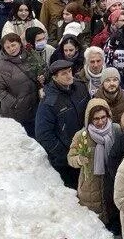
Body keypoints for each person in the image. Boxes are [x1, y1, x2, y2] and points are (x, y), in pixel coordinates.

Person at [36, 59, 88, 188]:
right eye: (64, 73)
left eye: (70, 71)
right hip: (65, 160)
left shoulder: (80, 87)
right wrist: (64, 154)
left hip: (85, 150)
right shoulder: (49, 101)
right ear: (55, 77)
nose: (69, 75)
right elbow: (43, 134)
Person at [69, 97, 121, 224]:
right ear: (89, 119)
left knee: (113, 215)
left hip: (111, 180)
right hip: (90, 184)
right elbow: (70, 157)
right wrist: (79, 160)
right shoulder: (82, 135)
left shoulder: (116, 130)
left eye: (103, 117)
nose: (101, 122)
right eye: (96, 119)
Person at [0, 31, 41, 135]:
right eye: (8, 47)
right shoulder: (2, 66)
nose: (11, 49)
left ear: (19, 43)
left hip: (34, 107)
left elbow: (41, 69)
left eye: (13, 45)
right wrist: (15, 103)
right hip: (17, 114)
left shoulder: (30, 55)